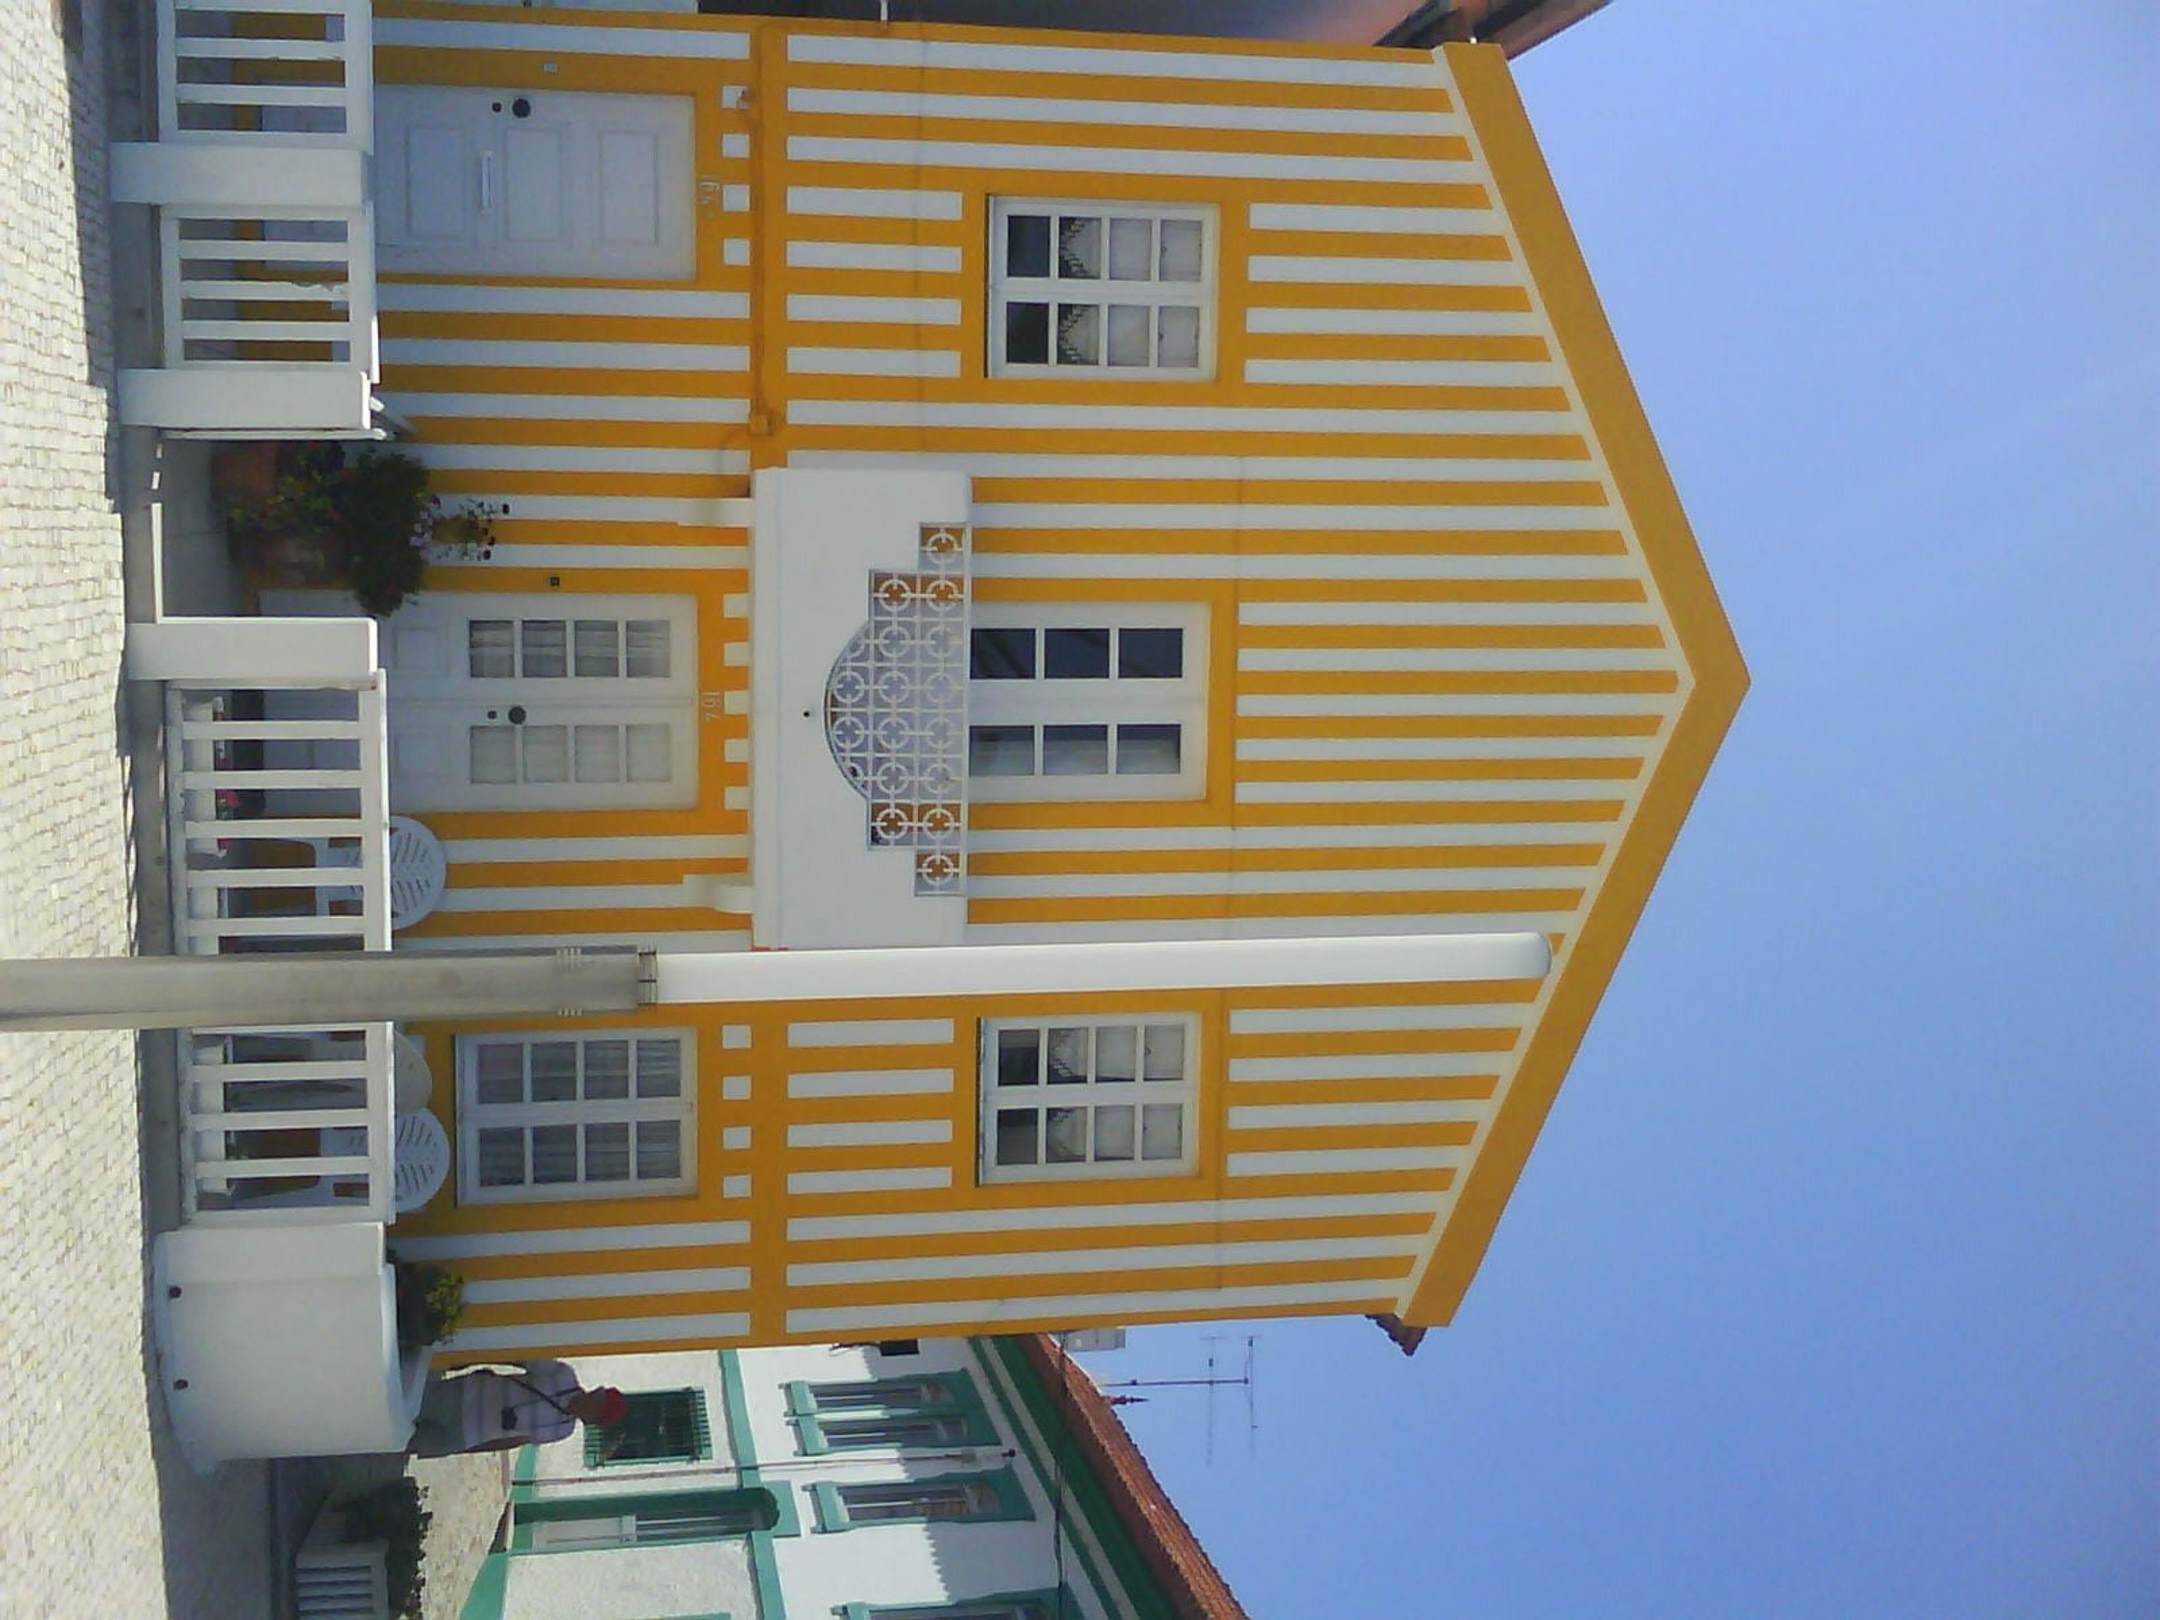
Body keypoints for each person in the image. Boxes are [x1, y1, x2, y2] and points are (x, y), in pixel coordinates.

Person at [408, 1358, 628, 1457]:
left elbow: (516, 1441)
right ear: (596, 1395)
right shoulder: (563, 1375)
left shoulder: (563, 1430)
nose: (589, 1417)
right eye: (596, 1411)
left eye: (595, 1418)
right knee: (405, 1406)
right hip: (462, 1396)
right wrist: (472, 1358)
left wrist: (469, 1448)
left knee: (406, 1444)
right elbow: (518, 1359)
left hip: (465, 1436)